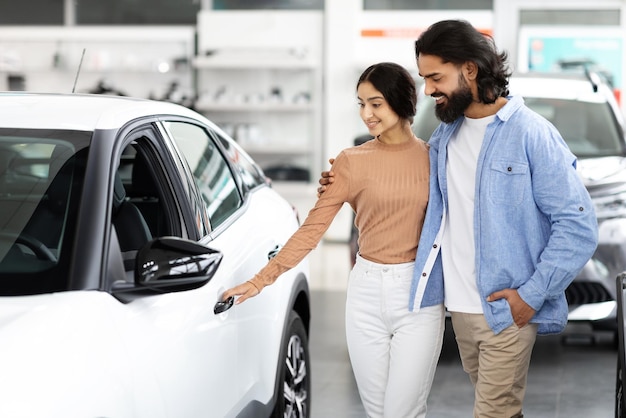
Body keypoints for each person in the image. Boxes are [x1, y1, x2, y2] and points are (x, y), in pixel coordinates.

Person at [318, 19, 599, 418]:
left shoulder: (531, 134)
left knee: (492, 412)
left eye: (435, 77)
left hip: (507, 307)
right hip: (458, 308)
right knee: (499, 410)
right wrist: (343, 176)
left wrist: (530, 296)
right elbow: (404, 186)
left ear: (469, 69)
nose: (428, 89)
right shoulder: (445, 138)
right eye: (424, 79)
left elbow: (578, 225)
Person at [222, 62, 445, 418]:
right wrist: (259, 280)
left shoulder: (436, 159)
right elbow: (312, 230)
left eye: (376, 103)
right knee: (377, 411)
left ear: (403, 102)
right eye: (360, 103)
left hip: (418, 295)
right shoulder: (350, 162)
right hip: (366, 291)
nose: (366, 114)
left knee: (403, 411)